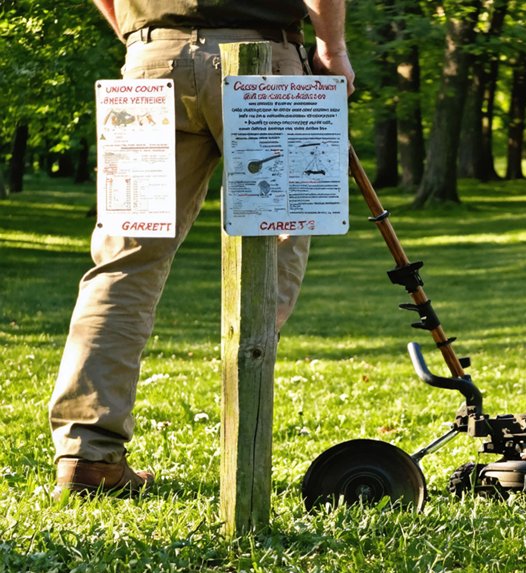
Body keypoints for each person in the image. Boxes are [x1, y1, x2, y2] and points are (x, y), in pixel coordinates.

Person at [49, 0, 355, 497]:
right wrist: (333, 49)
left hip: (151, 65)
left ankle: (88, 453)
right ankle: (243, 443)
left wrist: (142, 37)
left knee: (123, 263)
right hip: (264, 61)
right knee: (272, 250)